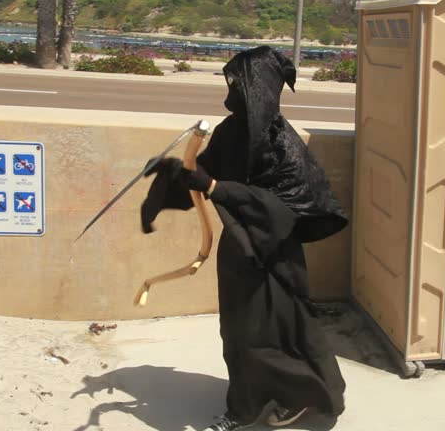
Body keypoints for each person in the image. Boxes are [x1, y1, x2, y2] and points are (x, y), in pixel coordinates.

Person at [141, 46, 347, 431]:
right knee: (237, 331)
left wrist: (216, 187)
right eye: (228, 82)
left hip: (274, 253)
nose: (230, 90)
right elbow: (203, 172)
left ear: (257, 88)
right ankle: (244, 404)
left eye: (237, 83)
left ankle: (297, 398)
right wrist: (174, 171)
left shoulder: (282, 143)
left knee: (275, 334)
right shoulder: (230, 131)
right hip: (239, 245)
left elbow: (285, 207)